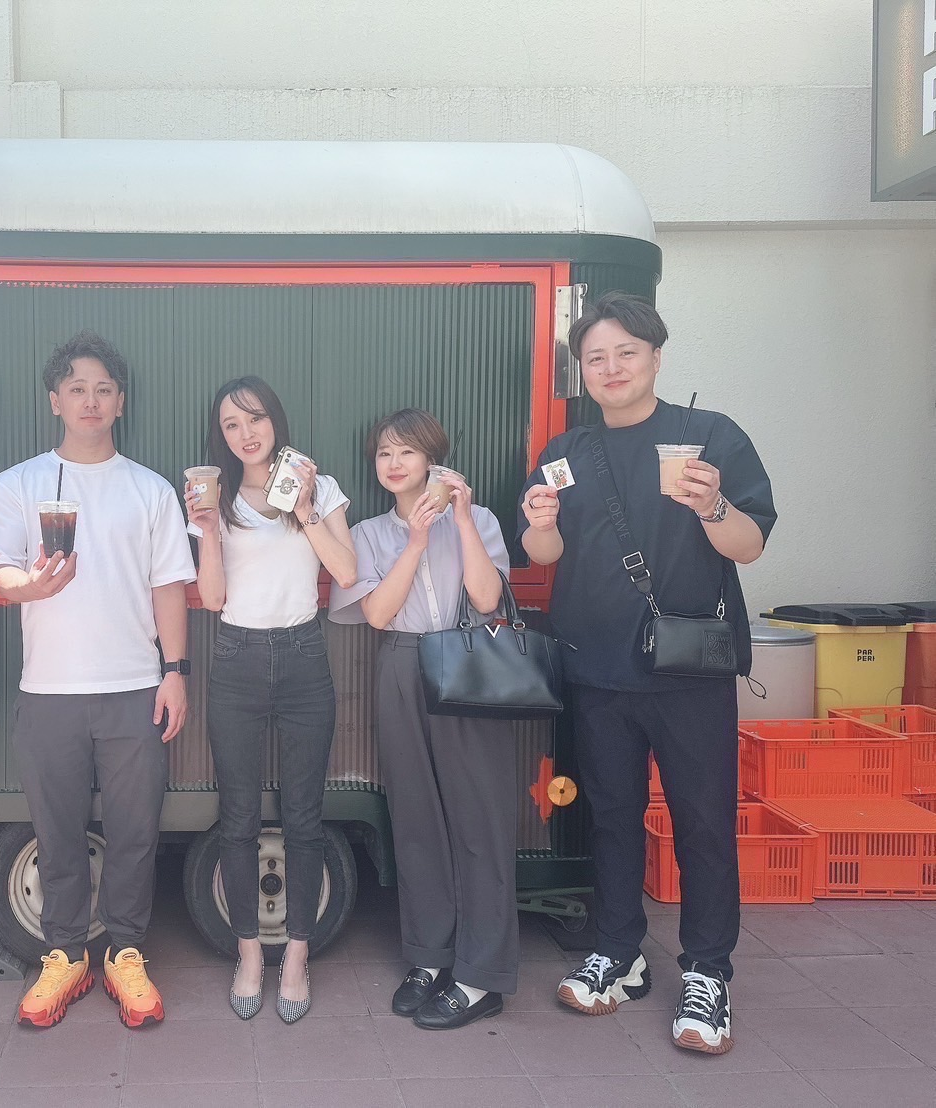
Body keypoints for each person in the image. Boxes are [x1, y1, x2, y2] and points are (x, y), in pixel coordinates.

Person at [518, 291, 775, 1056]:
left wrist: (713, 506)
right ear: (581, 371)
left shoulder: (710, 437)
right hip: (595, 669)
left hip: (687, 671)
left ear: (654, 358)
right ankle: (618, 952)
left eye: (624, 353)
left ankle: (707, 970)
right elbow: (544, 556)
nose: (610, 368)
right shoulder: (565, 453)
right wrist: (537, 526)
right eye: (594, 357)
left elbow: (749, 545)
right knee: (608, 816)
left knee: (703, 823)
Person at [0, 330, 195, 1030]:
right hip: (48, 690)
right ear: (55, 400)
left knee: (135, 833)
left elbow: (169, 586)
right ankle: (65, 956)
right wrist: (29, 587)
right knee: (57, 833)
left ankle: (126, 953)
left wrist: (174, 673)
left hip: (134, 686)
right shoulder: (17, 484)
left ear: (120, 402)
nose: (90, 400)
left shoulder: (149, 489)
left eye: (104, 389)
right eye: (76, 388)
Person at [330, 408, 520, 1031]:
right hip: (403, 660)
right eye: (384, 453)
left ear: (433, 459)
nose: (394, 463)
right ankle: (429, 957)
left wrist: (460, 521)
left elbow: (487, 599)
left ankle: (481, 974)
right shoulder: (368, 533)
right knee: (414, 816)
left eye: (407, 451)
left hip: (469, 658)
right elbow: (378, 615)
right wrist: (414, 541)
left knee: (480, 817)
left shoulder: (480, 520)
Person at [185, 377, 357, 1024]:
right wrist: (207, 530)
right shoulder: (216, 496)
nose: (245, 433)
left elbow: (346, 573)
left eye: (254, 418)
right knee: (237, 817)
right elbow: (211, 598)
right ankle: (250, 955)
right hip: (236, 658)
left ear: (275, 420)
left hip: (305, 656)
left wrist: (305, 508)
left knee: (304, 817)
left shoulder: (317, 485)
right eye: (230, 425)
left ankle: (297, 957)